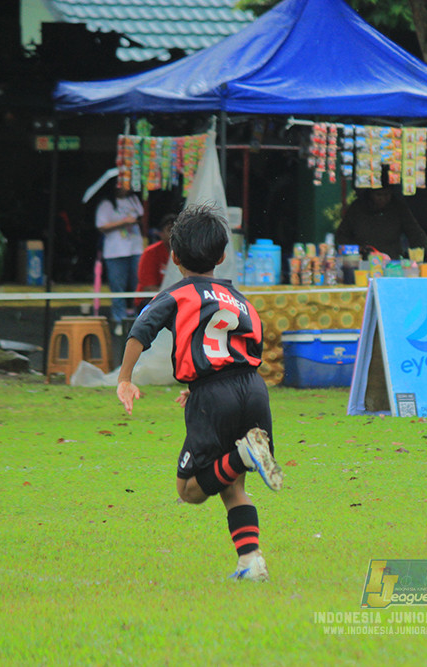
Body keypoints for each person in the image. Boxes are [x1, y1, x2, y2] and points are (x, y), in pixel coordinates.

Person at [116, 203, 284, 582]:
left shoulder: (177, 294)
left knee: (189, 490)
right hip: (253, 389)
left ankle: (244, 454)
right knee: (231, 484)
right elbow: (251, 348)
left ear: (174, 256)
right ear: (223, 256)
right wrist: (202, 383)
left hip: (214, 395)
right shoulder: (239, 299)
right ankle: (250, 561)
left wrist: (125, 378)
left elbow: (140, 330)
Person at [335, 186, 427, 261]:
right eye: (378, 195)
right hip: (363, 260)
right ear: (370, 195)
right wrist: (356, 249)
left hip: (392, 262)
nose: (383, 199)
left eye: (386, 195)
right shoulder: (357, 208)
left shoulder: (398, 208)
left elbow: (414, 231)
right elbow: (342, 235)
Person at [96, 184, 145, 334]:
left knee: (138, 284)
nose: (126, 187)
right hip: (116, 251)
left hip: (135, 248)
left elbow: (140, 215)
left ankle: (140, 318)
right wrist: (123, 223)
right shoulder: (107, 204)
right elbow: (101, 226)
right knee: (118, 286)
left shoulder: (133, 199)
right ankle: (119, 319)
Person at [135, 213, 175, 308]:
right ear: (160, 233)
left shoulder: (185, 252)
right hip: (150, 299)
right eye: (169, 230)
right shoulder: (151, 252)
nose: (173, 234)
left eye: (176, 230)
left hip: (175, 298)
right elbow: (148, 287)